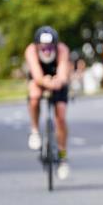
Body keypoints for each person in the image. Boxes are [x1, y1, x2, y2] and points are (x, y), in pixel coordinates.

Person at [25, 26, 72, 180]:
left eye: (50, 46)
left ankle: (63, 156)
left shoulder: (62, 50)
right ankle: (35, 131)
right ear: (37, 45)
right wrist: (45, 82)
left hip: (57, 80)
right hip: (40, 78)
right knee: (34, 96)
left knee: (61, 115)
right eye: (43, 46)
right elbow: (37, 76)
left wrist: (57, 81)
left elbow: (63, 74)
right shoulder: (31, 50)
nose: (46, 50)